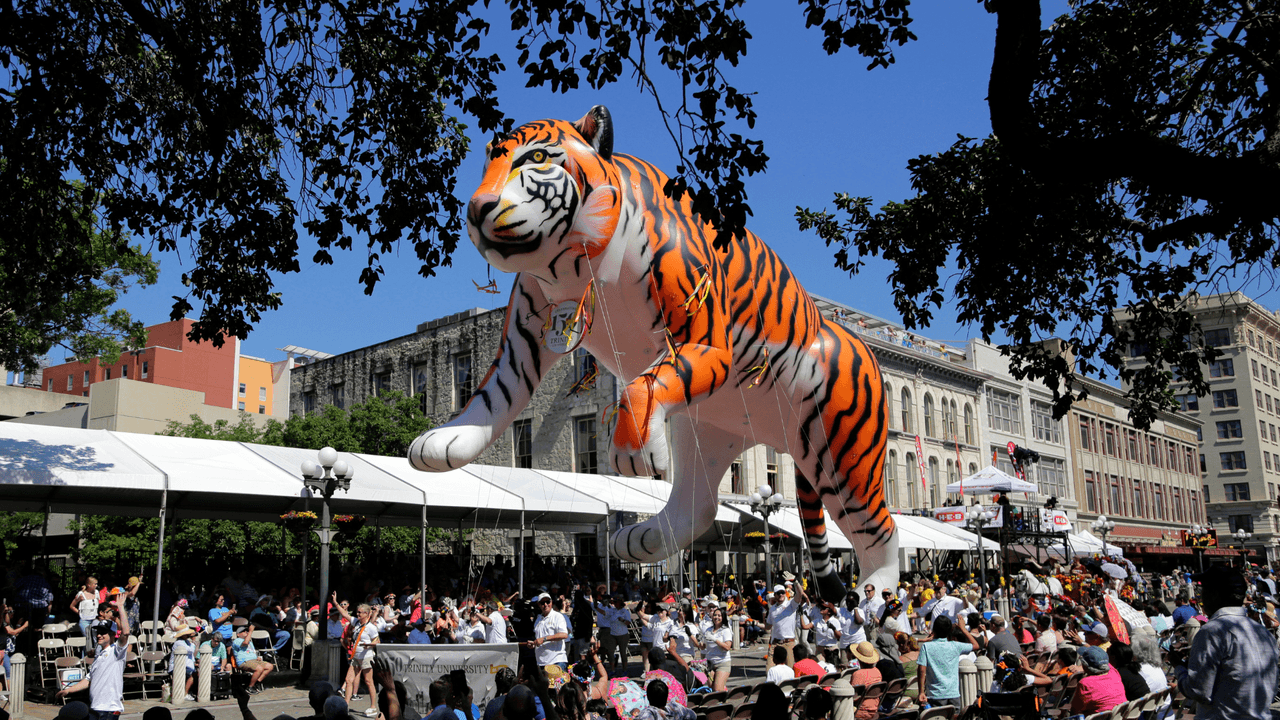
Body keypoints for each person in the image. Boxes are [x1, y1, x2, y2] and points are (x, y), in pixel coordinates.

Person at [1173, 564, 1279, 720]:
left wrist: (1179, 669)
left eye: (1203, 592)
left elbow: (1199, 691)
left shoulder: (1212, 631)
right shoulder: (1262, 631)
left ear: (1214, 594)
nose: (1201, 597)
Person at [56, 594, 130, 720]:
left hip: (109, 709)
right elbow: (88, 680)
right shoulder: (99, 655)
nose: (99, 635)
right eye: (98, 633)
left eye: (103, 633)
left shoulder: (117, 651)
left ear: (112, 634)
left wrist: (121, 607)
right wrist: (69, 690)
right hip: (95, 707)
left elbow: (126, 632)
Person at [915, 614, 979, 709]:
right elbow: (976, 645)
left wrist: (921, 692)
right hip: (953, 694)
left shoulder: (926, 647)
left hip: (935, 694)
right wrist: (963, 629)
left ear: (934, 630)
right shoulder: (955, 646)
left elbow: (921, 670)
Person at [342, 604, 380, 716]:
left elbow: (377, 642)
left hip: (366, 657)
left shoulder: (371, 627)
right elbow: (345, 614)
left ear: (367, 614)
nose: (358, 614)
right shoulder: (356, 623)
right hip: (356, 657)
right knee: (348, 680)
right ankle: (346, 705)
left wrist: (369, 644)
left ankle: (373, 706)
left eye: (360, 612)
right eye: (357, 612)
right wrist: (335, 603)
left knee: (368, 681)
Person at [1069, 646, 1126, 716]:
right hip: (1119, 716)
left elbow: (1075, 711)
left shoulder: (1085, 683)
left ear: (1085, 666)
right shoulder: (1114, 672)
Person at [232, 624, 275, 695]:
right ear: (238, 634)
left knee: (270, 666)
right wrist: (251, 631)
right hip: (244, 661)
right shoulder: (237, 640)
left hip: (254, 660)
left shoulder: (250, 642)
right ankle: (250, 687)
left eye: (246, 631)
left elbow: (252, 651)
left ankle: (257, 682)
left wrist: (256, 657)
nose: (246, 632)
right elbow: (245, 643)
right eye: (243, 631)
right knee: (259, 668)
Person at [532, 592, 570, 672]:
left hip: (556, 661)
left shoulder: (558, 616)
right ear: (539, 605)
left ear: (551, 602)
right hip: (541, 662)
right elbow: (539, 638)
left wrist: (544, 639)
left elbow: (564, 634)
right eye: (542, 603)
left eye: (548, 602)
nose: (545, 604)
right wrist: (533, 643)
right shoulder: (538, 619)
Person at [849, 642, 883, 720]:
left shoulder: (858, 674)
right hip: (874, 709)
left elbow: (852, 696)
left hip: (860, 711)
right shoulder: (877, 671)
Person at [702, 606, 732, 692]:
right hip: (710, 664)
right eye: (715, 615)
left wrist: (715, 639)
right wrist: (693, 637)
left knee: (717, 689)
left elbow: (727, 647)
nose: (716, 617)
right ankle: (723, 691)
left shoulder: (725, 630)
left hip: (722, 663)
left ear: (723, 617)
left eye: (719, 615)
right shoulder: (708, 630)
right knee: (712, 688)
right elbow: (702, 646)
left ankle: (724, 702)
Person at [170, 626, 199, 701]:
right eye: (187, 634)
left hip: (186, 665)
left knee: (196, 672)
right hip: (177, 666)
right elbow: (190, 650)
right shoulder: (178, 643)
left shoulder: (186, 642)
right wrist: (193, 643)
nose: (188, 635)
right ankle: (185, 694)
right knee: (193, 674)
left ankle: (189, 692)